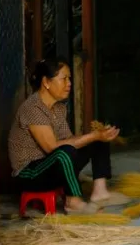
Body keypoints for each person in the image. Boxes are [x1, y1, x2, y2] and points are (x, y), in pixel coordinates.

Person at [9, 59, 128, 214]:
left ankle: (100, 192)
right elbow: (51, 147)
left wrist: (97, 136)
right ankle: (73, 201)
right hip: (29, 173)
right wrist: (92, 136)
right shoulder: (33, 108)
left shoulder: (58, 108)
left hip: (51, 165)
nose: (69, 83)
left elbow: (70, 139)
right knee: (65, 152)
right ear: (46, 82)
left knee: (97, 141)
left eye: (69, 78)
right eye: (64, 78)